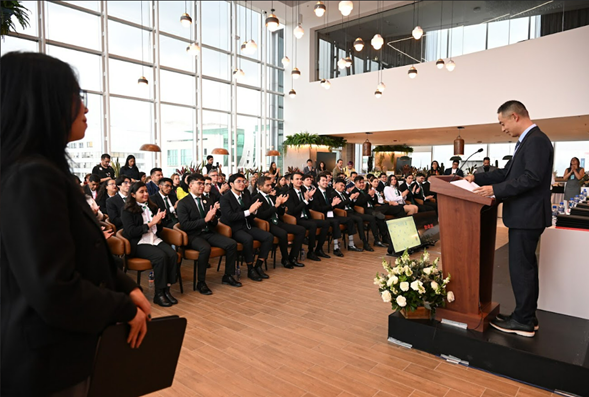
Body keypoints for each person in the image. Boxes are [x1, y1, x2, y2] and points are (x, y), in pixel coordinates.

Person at [1, 52, 150, 396]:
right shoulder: (31, 176)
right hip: (45, 366)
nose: (85, 108)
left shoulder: (44, 170)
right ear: (44, 103)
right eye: (77, 97)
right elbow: (54, 288)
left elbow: (83, 253)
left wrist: (126, 285)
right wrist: (124, 307)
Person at [466, 100, 553, 338]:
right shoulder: (526, 142)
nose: (502, 128)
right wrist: (477, 178)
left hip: (528, 215)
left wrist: (495, 190)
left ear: (515, 116)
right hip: (525, 215)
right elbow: (507, 173)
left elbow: (531, 178)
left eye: (502, 123)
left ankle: (523, 321)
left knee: (521, 269)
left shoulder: (535, 140)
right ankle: (526, 315)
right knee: (523, 267)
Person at [176, 173, 241, 295]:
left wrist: (212, 219)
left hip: (208, 232)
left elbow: (214, 222)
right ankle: (201, 282)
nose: (202, 186)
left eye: (204, 183)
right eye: (199, 183)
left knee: (231, 244)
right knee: (205, 248)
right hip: (192, 235)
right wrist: (205, 220)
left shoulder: (207, 200)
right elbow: (185, 225)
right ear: (190, 185)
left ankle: (228, 275)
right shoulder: (183, 203)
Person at [122, 182, 179, 307]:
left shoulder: (152, 206)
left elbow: (159, 230)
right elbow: (131, 231)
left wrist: (159, 222)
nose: (145, 194)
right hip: (138, 241)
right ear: (133, 194)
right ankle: (158, 294)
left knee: (172, 255)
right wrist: (151, 223)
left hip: (153, 238)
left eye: (146, 191)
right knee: (160, 257)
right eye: (141, 192)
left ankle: (166, 290)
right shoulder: (127, 210)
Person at [220, 173, 274, 282]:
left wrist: (254, 210)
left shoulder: (245, 195)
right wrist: (249, 211)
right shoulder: (225, 198)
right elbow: (230, 216)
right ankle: (250, 269)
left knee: (268, 237)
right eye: (238, 182)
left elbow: (251, 213)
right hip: (233, 228)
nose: (242, 184)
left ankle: (258, 265)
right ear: (231, 184)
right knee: (247, 239)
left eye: (243, 181)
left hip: (247, 225)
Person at [253, 176, 306, 268]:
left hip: (278, 221)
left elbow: (280, 213)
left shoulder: (272, 197)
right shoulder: (257, 198)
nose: (271, 187)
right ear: (260, 187)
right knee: (283, 233)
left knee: (301, 230)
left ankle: (292, 257)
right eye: (268, 185)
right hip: (267, 224)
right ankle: (285, 259)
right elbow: (261, 216)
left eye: (271, 185)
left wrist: (281, 205)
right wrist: (275, 206)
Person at [285, 172, 330, 261]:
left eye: (300, 179)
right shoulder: (289, 193)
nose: (299, 181)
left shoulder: (303, 191)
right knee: (312, 225)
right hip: (296, 219)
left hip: (306, 217)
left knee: (326, 223)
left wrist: (310, 198)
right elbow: (293, 211)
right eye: (297, 179)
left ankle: (319, 249)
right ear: (292, 181)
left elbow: (310, 207)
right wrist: (305, 201)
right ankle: (311, 251)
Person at [311, 173, 344, 257]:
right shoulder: (315, 193)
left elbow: (332, 206)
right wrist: (332, 205)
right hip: (321, 215)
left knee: (345, 219)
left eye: (326, 180)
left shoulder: (329, 192)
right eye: (323, 180)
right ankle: (336, 248)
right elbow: (318, 209)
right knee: (335, 222)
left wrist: (335, 204)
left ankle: (343, 245)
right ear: (318, 183)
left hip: (331, 214)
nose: (325, 182)